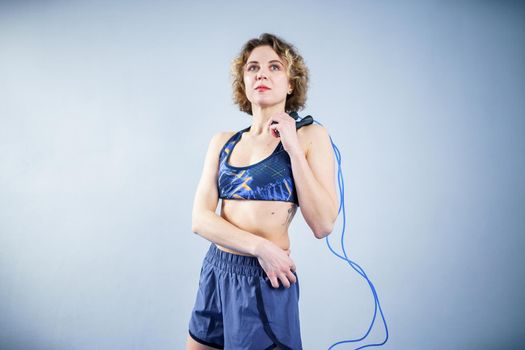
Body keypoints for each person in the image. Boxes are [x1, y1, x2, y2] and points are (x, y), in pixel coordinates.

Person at [186, 33, 338, 350]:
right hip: (217, 270)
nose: (262, 74)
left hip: (265, 278)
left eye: (275, 67)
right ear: (243, 82)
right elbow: (200, 220)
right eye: (253, 68)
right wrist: (260, 247)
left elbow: (323, 224)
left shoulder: (311, 135)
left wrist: (294, 149)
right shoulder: (223, 142)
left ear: (291, 82)